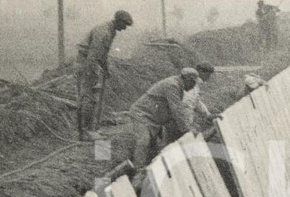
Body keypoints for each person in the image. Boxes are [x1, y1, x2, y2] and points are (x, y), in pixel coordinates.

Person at [76, 10, 133, 141]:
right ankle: (85, 132)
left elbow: (103, 53)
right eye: (124, 25)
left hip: (91, 62)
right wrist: (92, 74)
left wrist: (105, 69)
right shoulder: (104, 32)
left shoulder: (111, 31)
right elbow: (93, 56)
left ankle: (91, 129)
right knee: (89, 98)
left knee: (91, 98)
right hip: (87, 63)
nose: (124, 29)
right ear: (118, 21)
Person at [127, 67, 198, 169]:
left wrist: (187, 125)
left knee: (159, 146)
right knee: (144, 140)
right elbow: (176, 109)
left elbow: (177, 109)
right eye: (193, 83)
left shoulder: (178, 85)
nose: (193, 87)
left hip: (154, 118)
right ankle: (138, 169)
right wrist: (185, 129)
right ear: (188, 80)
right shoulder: (172, 86)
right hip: (142, 114)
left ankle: (153, 167)